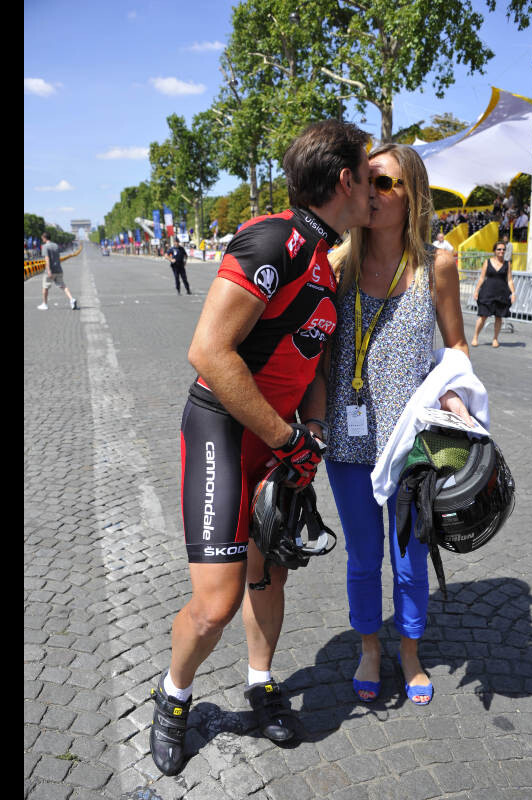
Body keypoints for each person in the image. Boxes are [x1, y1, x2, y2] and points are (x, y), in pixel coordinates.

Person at [149, 119, 375, 777]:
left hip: (280, 444)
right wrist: (286, 438)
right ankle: (174, 694)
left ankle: (260, 680)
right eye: (368, 179)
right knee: (217, 601)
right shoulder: (274, 238)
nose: (374, 194)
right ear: (343, 181)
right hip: (224, 430)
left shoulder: (326, 261)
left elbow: (312, 363)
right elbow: (208, 351)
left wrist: (313, 436)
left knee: (268, 574)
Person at [311, 143, 473, 707]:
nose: (370, 193)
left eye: (386, 184)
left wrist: (454, 393)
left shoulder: (438, 265)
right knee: (363, 557)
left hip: (412, 443)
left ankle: (409, 650)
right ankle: (369, 648)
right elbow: (313, 351)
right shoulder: (335, 266)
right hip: (348, 438)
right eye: (365, 181)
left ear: (412, 196)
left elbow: (455, 346)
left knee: (408, 560)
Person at [471, 241, 516, 348]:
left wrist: (513, 293)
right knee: (483, 316)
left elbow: (509, 280)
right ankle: (475, 337)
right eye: (499, 249)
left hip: (501, 293)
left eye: (503, 249)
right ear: (494, 251)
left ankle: (495, 339)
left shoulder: (507, 264)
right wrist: (476, 291)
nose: (501, 251)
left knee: (499, 317)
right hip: (487, 292)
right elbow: (482, 277)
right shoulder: (487, 262)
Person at [37, 232, 77, 311]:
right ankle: (71, 299)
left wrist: (48, 270)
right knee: (63, 286)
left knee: (45, 287)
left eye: (42, 238)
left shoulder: (45, 247)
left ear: (44, 238)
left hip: (51, 270)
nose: (42, 240)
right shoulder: (56, 245)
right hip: (58, 269)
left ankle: (44, 304)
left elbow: (47, 259)